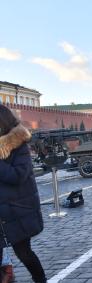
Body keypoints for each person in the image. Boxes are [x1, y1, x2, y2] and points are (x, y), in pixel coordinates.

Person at [0, 105, 46, 283]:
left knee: (24, 254)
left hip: (16, 210)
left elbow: (18, 176)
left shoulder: (19, 146)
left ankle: (40, 279)